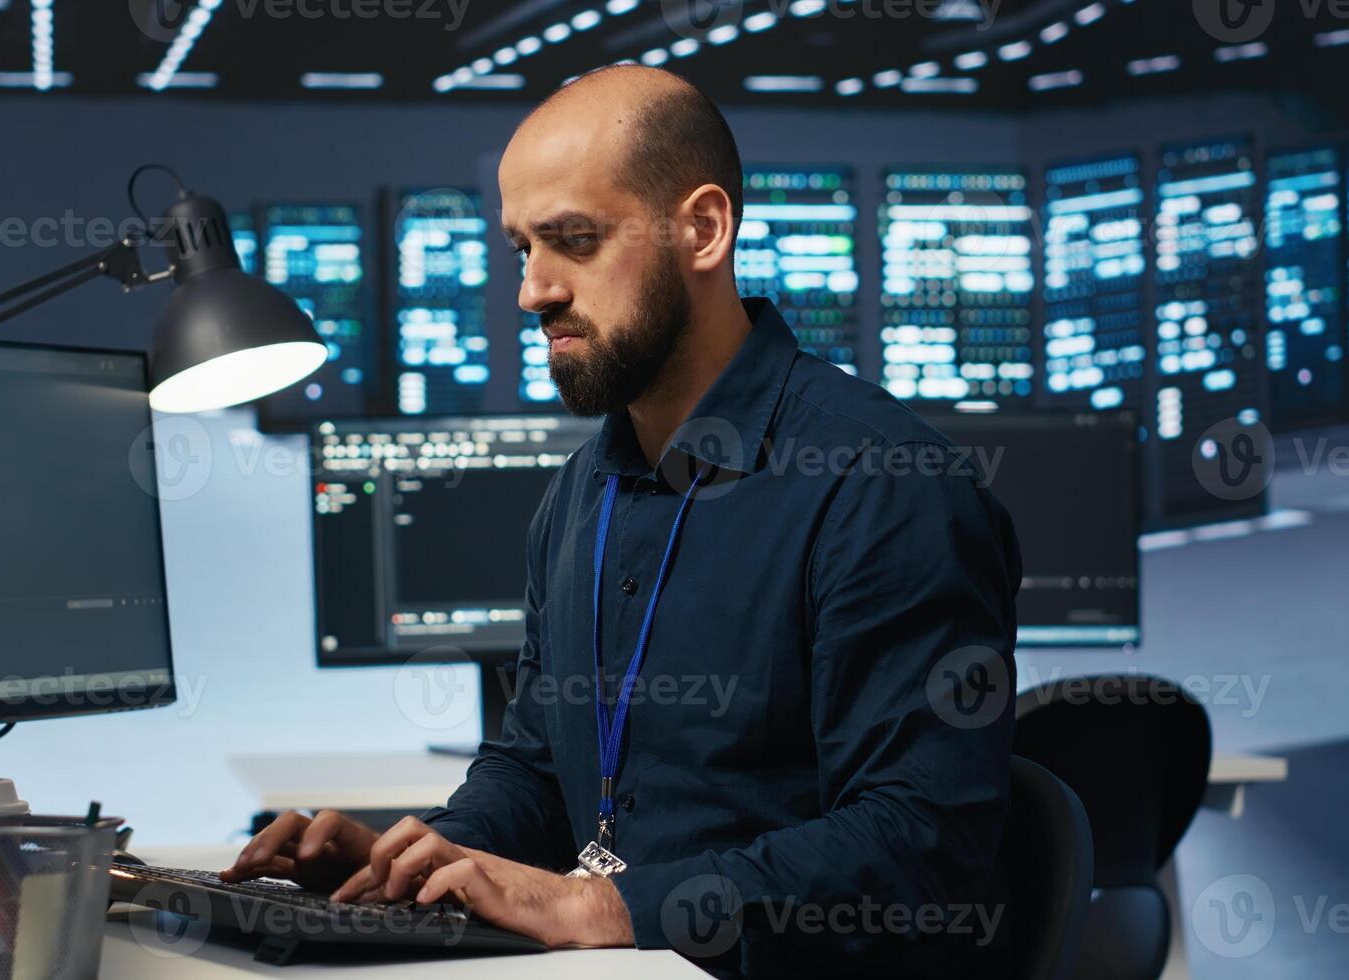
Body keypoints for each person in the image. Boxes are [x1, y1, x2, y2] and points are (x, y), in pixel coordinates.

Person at [224, 64, 1021, 976]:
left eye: (574, 240)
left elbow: (921, 844)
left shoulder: (882, 486)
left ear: (703, 229)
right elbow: (535, 767)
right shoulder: (580, 494)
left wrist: (602, 906)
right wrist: (417, 865)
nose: (533, 291)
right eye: (522, 248)